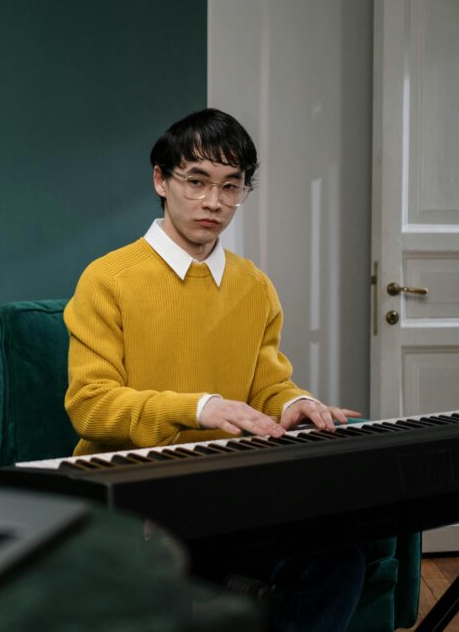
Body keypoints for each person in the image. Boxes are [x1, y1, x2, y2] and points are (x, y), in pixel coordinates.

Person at [62, 108, 365, 631]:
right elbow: (90, 405)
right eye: (197, 181)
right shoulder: (108, 279)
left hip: (232, 499)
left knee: (339, 559)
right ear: (161, 179)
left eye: (231, 186)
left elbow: (268, 382)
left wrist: (294, 403)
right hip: (138, 504)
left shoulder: (254, 286)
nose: (213, 202)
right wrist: (199, 407)